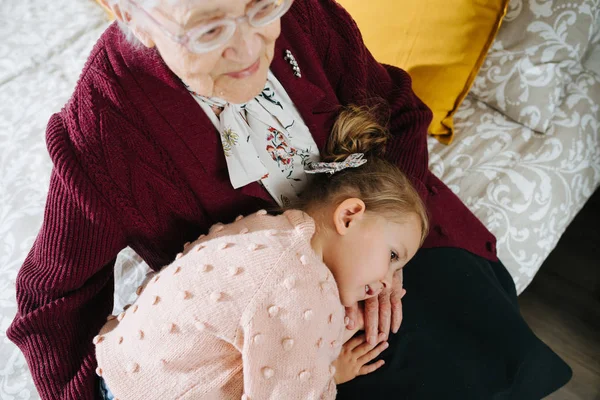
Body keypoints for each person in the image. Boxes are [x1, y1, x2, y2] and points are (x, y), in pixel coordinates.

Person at [8, 0, 571, 398]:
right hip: (280, 319)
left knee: (483, 327)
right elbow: (51, 301)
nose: (250, 48)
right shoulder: (103, 133)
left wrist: (385, 257)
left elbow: (398, 111)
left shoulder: (302, 13)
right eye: (207, 30)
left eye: (262, 7)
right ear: (128, 12)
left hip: (380, 234)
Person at [94, 106, 429, 399]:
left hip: (126, 365)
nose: (390, 283)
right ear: (348, 216)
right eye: (393, 258)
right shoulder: (305, 290)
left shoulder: (269, 228)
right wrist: (330, 376)